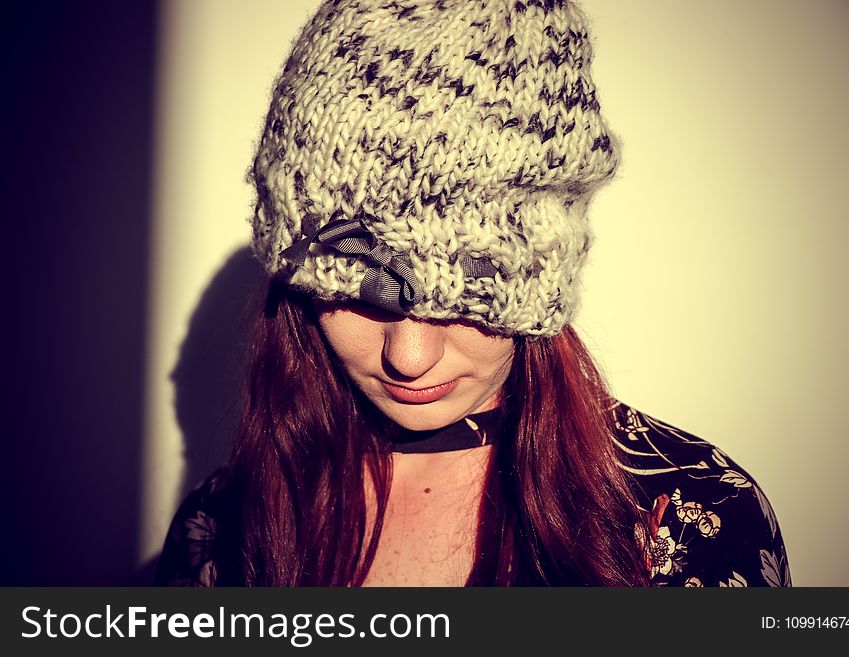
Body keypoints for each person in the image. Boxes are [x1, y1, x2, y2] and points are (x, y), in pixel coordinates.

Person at [155, 0, 790, 587]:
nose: (407, 356)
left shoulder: (694, 516)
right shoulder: (222, 531)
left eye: (466, 297)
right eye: (357, 295)